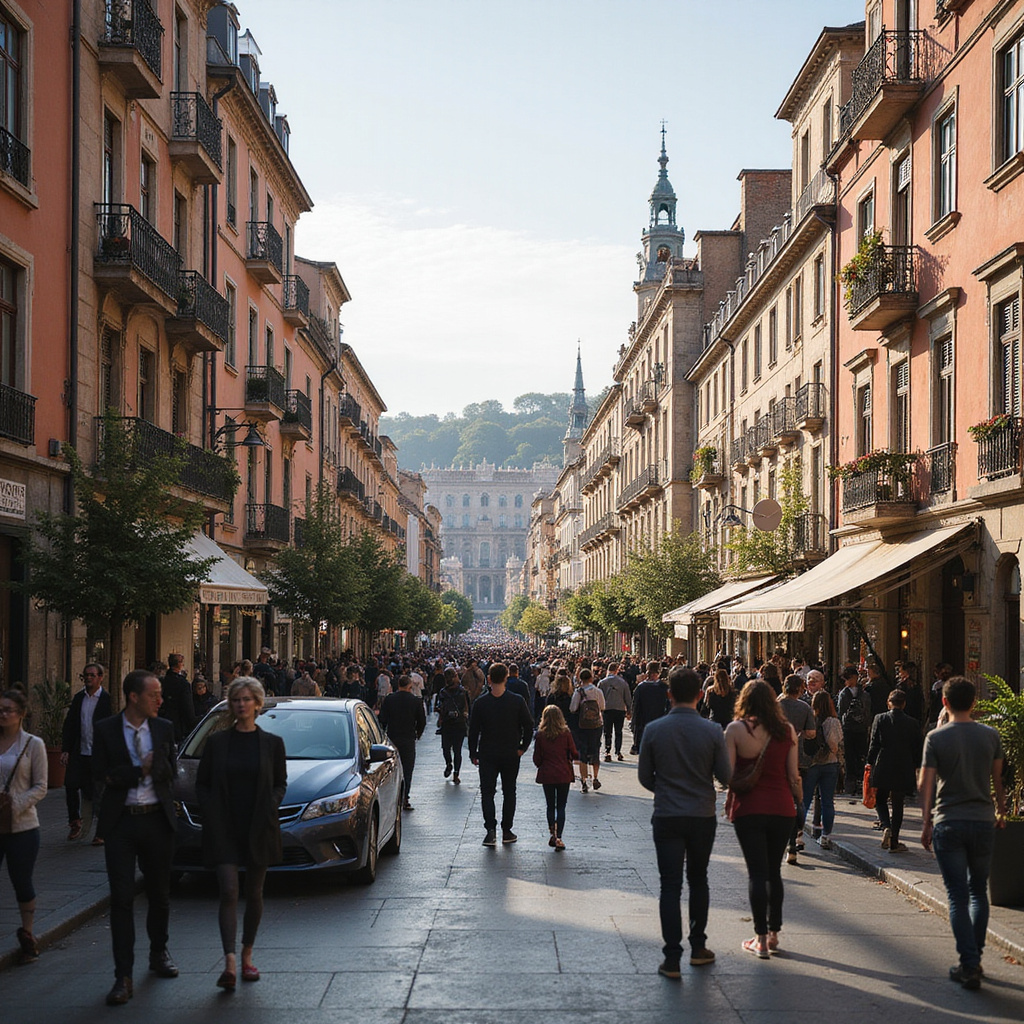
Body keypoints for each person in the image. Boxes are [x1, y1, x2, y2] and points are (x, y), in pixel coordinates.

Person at [92, 670, 179, 1006]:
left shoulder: (163, 727)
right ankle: (122, 976)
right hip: (122, 825)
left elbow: (169, 771)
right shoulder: (107, 730)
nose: (160, 699)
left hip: (156, 820)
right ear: (133, 697)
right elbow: (100, 774)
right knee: (122, 899)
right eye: (154, 694)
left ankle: (159, 952)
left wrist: (156, 768)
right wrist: (137, 771)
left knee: (159, 894)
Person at [638, 667, 731, 979]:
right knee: (699, 880)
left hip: (666, 814)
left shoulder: (653, 730)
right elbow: (725, 777)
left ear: (669, 695)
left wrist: (666, 789)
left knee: (670, 885)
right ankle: (699, 946)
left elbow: (644, 778)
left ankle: (672, 957)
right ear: (701, 695)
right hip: (702, 814)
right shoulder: (713, 731)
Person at [196, 677, 286, 991]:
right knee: (229, 891)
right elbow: (203, 783)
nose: (241, 704)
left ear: (257, 704)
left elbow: (280, 783)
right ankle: (230, 962)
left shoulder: (272, 744)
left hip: (258, 826)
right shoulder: (217, 742)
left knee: (255, 892)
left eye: (247, 699)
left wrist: (270, 806)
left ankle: (248, 954)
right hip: (224, 827)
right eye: (236, 699)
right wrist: (210, 811)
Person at [919, 676, 1006, 990]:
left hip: (949, 821)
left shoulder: (936, 738)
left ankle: (969, 963)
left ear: (944, 702)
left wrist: (927, 822)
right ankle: (976, 955)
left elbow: (925, 784)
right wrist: (1001, 810)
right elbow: (998, 780)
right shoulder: (991, 736)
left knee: (956, 894)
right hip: (983, 820)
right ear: (974, 702)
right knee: (977, 890)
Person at [724, 680, 801, 960]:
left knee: (756, 873)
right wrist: (799, 801)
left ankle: (760, 939)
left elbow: (727, 774)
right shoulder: (787, 731)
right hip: (782, 809)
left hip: (749, 809)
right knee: (774, 873)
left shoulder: (735, 730)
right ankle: (774, 933)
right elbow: (793, 775)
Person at [0, 688, 48, 964]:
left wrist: (15, 804)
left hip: (23, 827)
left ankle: (27, 933)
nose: (4, 714)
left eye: (9, 710)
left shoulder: (33, 745)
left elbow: (41, 786)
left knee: (22, 882)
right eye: (0, 710)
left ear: (21, 714)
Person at [468, 662, 534, 846]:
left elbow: (473, 731)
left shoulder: (481, 703)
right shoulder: (517, 701)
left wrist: (474, 753)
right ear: (506, 678)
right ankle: (507, 830)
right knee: (509, 791)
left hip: (488, 753)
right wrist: (523, 747)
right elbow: (529, 726)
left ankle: (490, 830)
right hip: (511, 753)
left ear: (489, 679)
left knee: (487, 792)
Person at [61, 663, 113, 844]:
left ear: (100, 677)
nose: (89, 678)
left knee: (98, 793)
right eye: (86, 675)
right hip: (80, 752)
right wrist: (66, 749)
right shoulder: (78, 699)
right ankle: (75, 821)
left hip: (98, 755)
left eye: (92, 675)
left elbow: (111, 729)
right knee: (70, 785)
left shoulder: (107, 700)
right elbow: (70, 726)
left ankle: (101, 832)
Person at [866, 688, 922, 853]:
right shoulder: (913, 723)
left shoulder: (880, 719)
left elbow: (874, 743)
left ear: (888, 703)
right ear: (904, 704)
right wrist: (918, 767)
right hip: (903, 765)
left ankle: (886, 825)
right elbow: (917, 748)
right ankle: (894, 841)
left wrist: (869, 762)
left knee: (881, 799)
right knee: (898, 804)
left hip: (884, 763)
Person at [778, 675, 816, 866]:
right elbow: (812, 733)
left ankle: (786, 839)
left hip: (777, 757)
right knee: (798, 798)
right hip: (800, 756)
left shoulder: (775, 705)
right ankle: (795, 838)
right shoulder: (805, 707)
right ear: (800, 690)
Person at [532, 705, 578, 851]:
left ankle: (552, 832)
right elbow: (574, 753)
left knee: (550, 805)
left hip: (547, 774)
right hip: (563, 773)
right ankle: (559, 837)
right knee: (562, 806)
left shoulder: (540, 735)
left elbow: (537, 759)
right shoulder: (565, 733)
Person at [802, 691, 843, 850]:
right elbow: (834, 744)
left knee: (805, 800)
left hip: (812, 764)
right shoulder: (832, 721)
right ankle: (826, 835)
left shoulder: (811, 719)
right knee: (827, 802)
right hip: (830, 764)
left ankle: (798, 833)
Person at [379, 674, 426, 810]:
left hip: (393, 737)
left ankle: (392, 797)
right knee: (407, 768)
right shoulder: (416, 701)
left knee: (391, 768)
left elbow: (383, 718)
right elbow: (421, 721)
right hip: (408, 738)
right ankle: (405, 797)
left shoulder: (390, 699)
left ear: (398, 685)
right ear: (410, 686)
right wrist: (418, 733)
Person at [569, 668, 605, 792]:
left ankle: (584, 781)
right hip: (596, 725)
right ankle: (595, 777)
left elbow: (573, 708)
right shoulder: (597, 691)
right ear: (591, 678)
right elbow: (602, 706)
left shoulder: (578, 692)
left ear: (581, 679)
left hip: (582, 726)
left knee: (582, 753)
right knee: (595, 751)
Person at [836, 666, 871, 795]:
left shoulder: (864, 693)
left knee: (861, 755)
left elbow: (868, 710)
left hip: (860, 729)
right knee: (850, 756)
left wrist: (867, 725)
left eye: (849, 678)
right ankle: (851, 783)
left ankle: (860, 781)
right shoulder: (844, 694)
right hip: (848, 729)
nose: (848, 682)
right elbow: (841, 712)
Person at [436, 668, 469, 784]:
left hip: (447, 723)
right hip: (459, 723)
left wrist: (440, 717)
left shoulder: (443, 692)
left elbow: (438, 707)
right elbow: (467, 707)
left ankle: (449, 764)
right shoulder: (462, 691)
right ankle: (456, 773)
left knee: (446, 748)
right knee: (457, 750)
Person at [631, 661, 669, 754]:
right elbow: (669, 705)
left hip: (645, 720)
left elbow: (635, 707)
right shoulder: (663, 687)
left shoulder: (641, 687)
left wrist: (634, 722)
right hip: (659, 720)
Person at [159, 653, 197, 744]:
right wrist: (192, 723)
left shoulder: (162, 681)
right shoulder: (183, 684)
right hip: (178, 725)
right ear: (179, 664)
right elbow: (187, 707)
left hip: (163, 722)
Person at [599, 662, 632, 762]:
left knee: (607, 732)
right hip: (619, 709)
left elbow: (599, 697)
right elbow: (627, 697)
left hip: (607, 709)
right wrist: (629, 710)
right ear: (617, 670)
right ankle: (618, 751)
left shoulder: (602, 682)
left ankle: (607, 751)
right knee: (618, 731)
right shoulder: (622, 682)